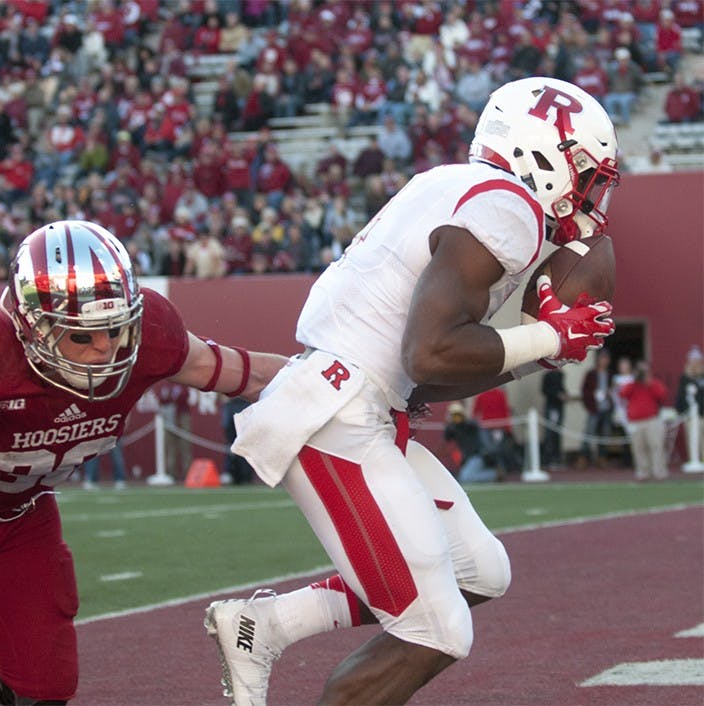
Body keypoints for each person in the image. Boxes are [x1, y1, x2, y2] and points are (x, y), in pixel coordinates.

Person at [205, 76, 619, 706]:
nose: (593, 195)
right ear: (545, 155)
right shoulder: (509, 206)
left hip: (361, 400)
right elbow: (428, 350)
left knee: (482, 570)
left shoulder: (456, 185)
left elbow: (430, 372)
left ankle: (266, 625)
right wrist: (546, 339)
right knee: (436, 630)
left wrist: (543, 348)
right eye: (587, 174)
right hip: (339, 411)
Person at [0, 220, 288, 706]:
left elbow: (240, 370)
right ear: (31, 325)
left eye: (115, 328)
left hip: (21, 512)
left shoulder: (151, 337)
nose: (105, 349)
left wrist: (330, 379)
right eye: (82, 337)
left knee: (44, 690)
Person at [619, 361, 669, 480]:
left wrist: (649, 383)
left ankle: (659, 472)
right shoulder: (631, 385)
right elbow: (623, 393)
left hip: (652, 420)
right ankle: (643, 472)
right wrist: (635, 380)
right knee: (638, 448)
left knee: (656, 446)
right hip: (635, 421)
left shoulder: (653, 383)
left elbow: (662, 395)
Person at [443, 402, 501, 483]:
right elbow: (447, 437)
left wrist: (463, 420)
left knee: (466, 478)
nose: (456, 417)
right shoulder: (453, 428)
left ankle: (494, 474)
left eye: (458, 415)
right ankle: (492, 474)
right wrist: (449, 423)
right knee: (464, 477)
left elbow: (472, 424)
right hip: (468, 458)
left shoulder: (469, 425)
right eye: (454, 415)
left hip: (478, 455)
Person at [580, 349, 615, 468]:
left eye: (606, 358)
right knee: (589, 432)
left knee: (605, 434)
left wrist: (610, 395)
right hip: (594, 408)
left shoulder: (610, 374)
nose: (604, 361)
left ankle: (602, 457)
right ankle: (584, 457)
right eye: (602, 358)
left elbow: (614, 390)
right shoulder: (591, 374)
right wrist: (592, 399)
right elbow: (584, 391)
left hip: (607, 408)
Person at [676, 346, 704, 464]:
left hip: (702, 413)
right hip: (690, 414)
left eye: (697, 360)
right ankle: (694, 459)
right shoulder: (685, 377)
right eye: (692, 360)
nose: (694, 363)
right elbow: (681, 395)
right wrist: (681, 410)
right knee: (692, 437)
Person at [540, 367, 568, 467]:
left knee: (558, 433)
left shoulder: (561, 375)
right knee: (549, 434)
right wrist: (557, 395)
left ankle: (557, 457)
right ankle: (547, 458)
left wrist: (565, 395)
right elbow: (544, 390)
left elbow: (562, 388)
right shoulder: (547, 376)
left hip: (559, 407)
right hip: (551, 406)